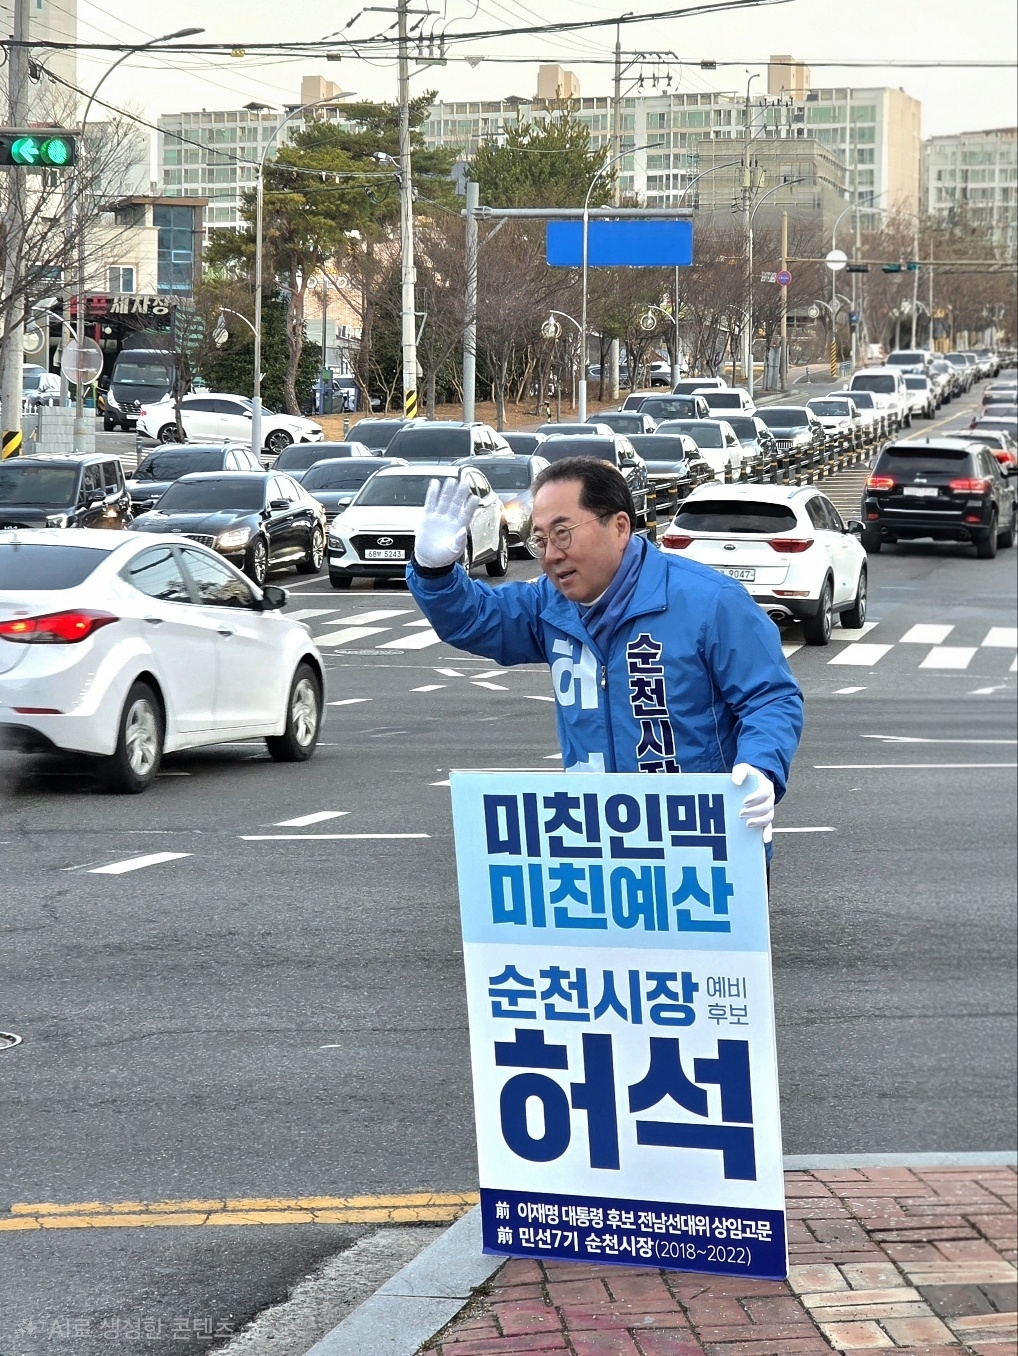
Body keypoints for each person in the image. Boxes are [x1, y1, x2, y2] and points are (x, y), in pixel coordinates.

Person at [407, 457, 803, 850]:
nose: (550, 554)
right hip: (599, 844)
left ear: (619, 527)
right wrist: (434, 572)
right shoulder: (550, 604)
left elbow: (770, 698)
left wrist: (760, 767)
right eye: (540, 539)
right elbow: (477, 619)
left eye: (563, 533)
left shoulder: (710, 601)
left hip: (703, 839)